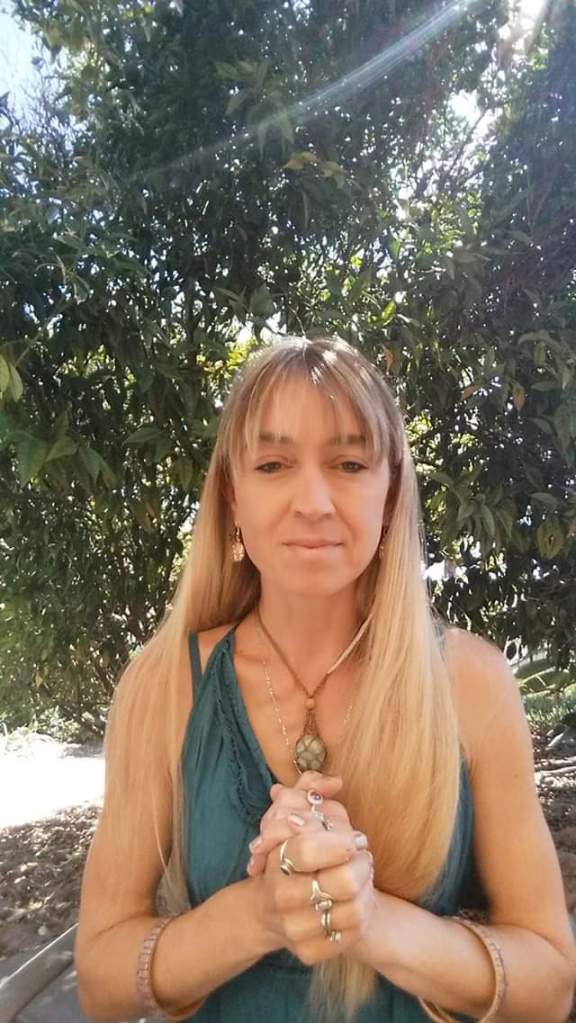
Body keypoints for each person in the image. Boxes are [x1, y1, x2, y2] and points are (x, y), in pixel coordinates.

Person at [74, 335, 575, 1023]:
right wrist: (258, 913)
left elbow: (551, 983)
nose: (312, 501)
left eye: (348, 463)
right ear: (233, 497)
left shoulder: (472, 683)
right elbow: (100, 980)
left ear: (390, 492)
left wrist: (370, 920)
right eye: (273, 464)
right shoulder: (165, 684)